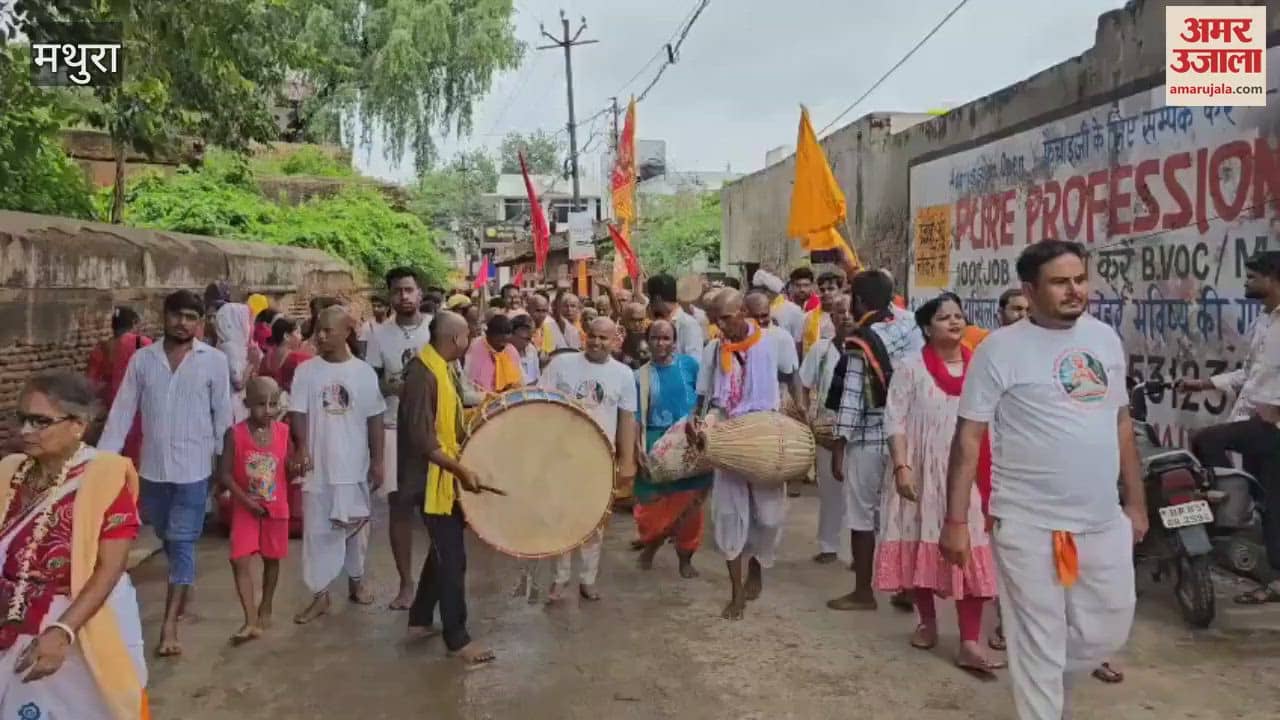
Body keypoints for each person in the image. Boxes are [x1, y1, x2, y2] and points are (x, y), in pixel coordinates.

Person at [941, 240, 1146, 719]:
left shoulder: (1104, 339)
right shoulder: (999, 350)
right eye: (1060, 282)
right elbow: (967, 438)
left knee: (1106, 628)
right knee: (1038, 637)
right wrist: (955, 521)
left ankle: (1053, 679)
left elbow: (1120, 423)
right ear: (1029, 291)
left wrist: (1135, 503)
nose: (1075, 291)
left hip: (1100, 520)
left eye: (1079, 279)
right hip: (1028, 522)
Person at [0, 373, 147, 720]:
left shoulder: (105, 476)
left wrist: (63, 631)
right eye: (22, 419)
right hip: (11, 623)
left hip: (77, 629)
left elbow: (110, 568)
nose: (26, 431)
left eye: (40, 421)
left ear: (78, 425)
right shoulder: (10, 472)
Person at [100, 289, 232, 658]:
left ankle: (170, 623)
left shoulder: (214, 362)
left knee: (183, 538)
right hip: (153, 470)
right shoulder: (143, 361)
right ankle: (183, 584)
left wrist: (225, 469)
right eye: (177, 315)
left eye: (191, 317)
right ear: (165, 316)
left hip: (195, 469)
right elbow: (122, 412)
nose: (183, 323)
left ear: (200, 322)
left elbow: (224, 418)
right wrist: (102, 464)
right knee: (163, 532)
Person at [876, 295, 1002, 675]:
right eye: (944, 317)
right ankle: (927, 621)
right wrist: (901, 467)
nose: (953, 322)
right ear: (927, 328)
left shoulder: (982, 366)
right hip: (922, 473)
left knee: (972, 549)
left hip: (971, 474)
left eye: (958, 316)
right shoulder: (910, 367)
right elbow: (894, 419)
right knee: (921, 546)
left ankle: (969, 641)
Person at [1181, 250, 1280, 605]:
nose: (1247, 283)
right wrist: (1205, 383)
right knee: (1271, 503)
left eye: (1253, 277)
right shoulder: (1265, 321)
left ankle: (1226, 510)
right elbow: (1249, 374)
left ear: (1273, 279)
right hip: (1253, 421)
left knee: (1205, 438)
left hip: (1272, 426)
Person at [398, 311, 496, 665]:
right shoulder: (423, 374)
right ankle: (457, 639)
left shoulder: (441, 367)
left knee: (442, 551)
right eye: (467, 335)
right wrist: (462, 470)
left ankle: (421, 619)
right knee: (453, 558)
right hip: (430, 480)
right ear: (456, 339)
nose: (469, 341)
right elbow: (425, 440)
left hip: (442, 477)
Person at [689, 289, 790, 620]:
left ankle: (758, 567)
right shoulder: (716, 348)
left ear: (744, 311)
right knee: (730, 516)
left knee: (770, 517)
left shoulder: (774, 342)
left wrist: (793, 416)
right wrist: (702, 424)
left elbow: (790, 379)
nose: (720, 325)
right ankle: (736, 593)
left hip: (765, 436)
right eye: (715, 319)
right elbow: (712, 398)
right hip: (730, 438)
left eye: (726, 317)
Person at [828, 270, 926, 612]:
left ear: (859, 301)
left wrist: (839, 443)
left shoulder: (861, 340)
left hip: (870, 435)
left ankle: (863, 592)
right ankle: (907, 586)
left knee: (861, 515)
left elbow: (852, 396)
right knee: (904, 513)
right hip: (907, 436)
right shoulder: (914, 326)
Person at [289, 307, 387, 624]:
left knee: (356, 530)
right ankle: (320, 595)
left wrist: (378, 461)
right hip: (319, 468)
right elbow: (298, 412)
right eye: (317, 329)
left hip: (353, 465)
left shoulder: (363, 373)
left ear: (347, 332)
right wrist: (302, 447)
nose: (320, 336)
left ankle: (356, 583)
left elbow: (375, 419)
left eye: (327, 330)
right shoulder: (306, 371)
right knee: (317, 531)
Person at [540, 317, 638, 602]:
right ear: (585, 336)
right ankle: (559, 580)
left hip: (601, 459)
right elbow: (540, 401)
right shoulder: (561, 365)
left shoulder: (623, 374)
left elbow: (627, 419)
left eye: (603, 338)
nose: (596, 342)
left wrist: (627, 462)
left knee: (595, 521)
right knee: (560, 518)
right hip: (562, 456)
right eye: (592, 335)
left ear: (615, 341)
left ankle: (588, 579)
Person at [366, 268, 432, 611]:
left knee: (437, 508)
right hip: (393, 428)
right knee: (400, 506)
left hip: (434, 430)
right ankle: (406, 584)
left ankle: (435, 582)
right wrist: (397, 388)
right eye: (397, 291)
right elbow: (373, 382)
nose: (404, 296)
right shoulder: (378, 335)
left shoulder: (437, 327)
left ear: (420, 293)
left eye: (409, 290)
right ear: (390, 296)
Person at [217, 377, 292, 645]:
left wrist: (299, 466)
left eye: (273, 404)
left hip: (275, 509)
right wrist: (245, 501)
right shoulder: (235, 434)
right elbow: (224, 474)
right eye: (261, 404)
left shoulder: (283, 432)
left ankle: (266, 605)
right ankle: (249, 619)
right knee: (239, 559)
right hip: (245, 509)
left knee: (272, 560)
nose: (268, 410)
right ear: (247, 403)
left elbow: (288, 468)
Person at [634, 320, 711, 578]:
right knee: (652, 510)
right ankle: (651, 546)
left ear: (674, 341)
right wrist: (637, 448)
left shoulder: (690, 366)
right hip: (656, 443)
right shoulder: (639, 376)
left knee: (691, 507)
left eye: (666, 338)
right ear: (648, 340)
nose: (660, 343)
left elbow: (703, 398)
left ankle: (685, 559)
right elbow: (635, 416)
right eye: (655, 338)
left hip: (688, 441)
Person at [800, 294, 852, 563]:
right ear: (831, 318)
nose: (845, 316)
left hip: (860, 430)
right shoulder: (821, 350)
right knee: (831, 490)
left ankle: (858, 550)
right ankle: (829, 545)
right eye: (839, 312)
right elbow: (803, 383)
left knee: (860, 493)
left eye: (850, 311)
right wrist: (808, 415)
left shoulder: (868, 348)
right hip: (827, 430)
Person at [85, 306, 152, 467]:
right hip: (140, 413)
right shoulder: (142, 344)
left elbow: (90, 384)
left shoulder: (101, 348)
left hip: (111, 412)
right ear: (135, 323)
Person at [216, 301, 260, 421]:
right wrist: (251, 362)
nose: (252, 326)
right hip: (234, 407)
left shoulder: (238, 344)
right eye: (249, 321)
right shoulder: (230, 347)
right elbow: (239, 383)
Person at [647, 273, 704, 358]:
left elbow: (694, 362)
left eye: (649, 298)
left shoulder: (688, 324)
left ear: (657, 298)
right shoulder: (655, 322)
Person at [465, 314, 524, 393]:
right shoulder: (476, 348)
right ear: (488, 334)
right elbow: (470, 381)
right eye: (498, 342)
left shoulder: (510, 350)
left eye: (505, 342)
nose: (502, 347)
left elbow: (519, 380)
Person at [753, 269, 805, 350]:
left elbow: (798, 341)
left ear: (770, 291)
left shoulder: (793, 310)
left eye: (762, 290)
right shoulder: (754, 309)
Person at [259, 317, 312, 394]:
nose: (301, 337)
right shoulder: (297, 358)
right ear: (286, 336)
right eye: (298, 333)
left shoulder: (265, 358)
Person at [802, 271, 844, 357]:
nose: (826, 293)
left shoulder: (847, 316)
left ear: (840, 290)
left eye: (831, 289)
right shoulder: (808, 317)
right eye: (822, 290)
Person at [510, 315, 541, 385]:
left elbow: (537, 377)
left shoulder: (531, 349)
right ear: (512, 334)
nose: (530, 341)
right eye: (526, 338)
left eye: (530, 338)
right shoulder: (505, 353)